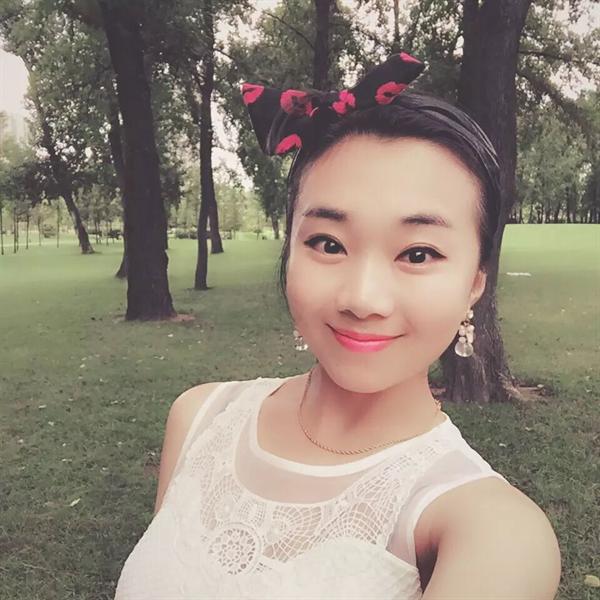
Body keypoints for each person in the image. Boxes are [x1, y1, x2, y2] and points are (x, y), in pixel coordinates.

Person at [114, 53, 561, 599]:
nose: (362, 299)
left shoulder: (490, 528)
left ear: (474, 283)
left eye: (418, 253)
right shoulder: (200, 418)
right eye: (328, 243)